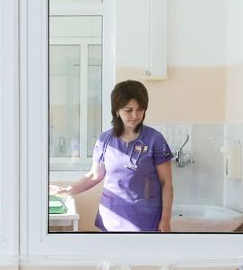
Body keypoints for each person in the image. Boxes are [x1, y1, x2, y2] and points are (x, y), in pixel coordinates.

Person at [59, 80, 173, 232]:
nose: (135, 115)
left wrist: (165, 219)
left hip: (145, 218)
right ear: (117, 111)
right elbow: (94, 175)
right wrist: (68, 190)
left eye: (140, 110)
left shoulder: (155, 139)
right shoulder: (105, 140)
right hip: (111, 216)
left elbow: (166, 183)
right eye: (128, 110)